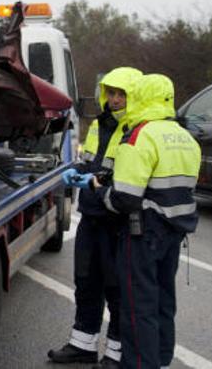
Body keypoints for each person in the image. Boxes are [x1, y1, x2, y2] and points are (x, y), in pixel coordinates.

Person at [82, 74, 201, 369]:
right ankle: (159, 360)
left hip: (143, 233)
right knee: (163, 302)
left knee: (137, 307)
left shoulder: (140, 136)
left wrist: (99, 191)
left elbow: (125, 199)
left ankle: (138, 364)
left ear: (140, 97)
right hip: (174, 233)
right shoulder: (185, 136)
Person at [48, 67, 142, 368]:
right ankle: (82, 344)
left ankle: (115, 353)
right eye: (110, 93)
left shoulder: (135, 130)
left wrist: (98, 182)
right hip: (91, 214)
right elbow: (91, 163)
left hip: (117, 220)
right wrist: (76, 171)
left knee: (116, 289)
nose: (114, 99)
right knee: (86, 282)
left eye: (121, 94)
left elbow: (129, 179)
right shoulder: (99, 124)